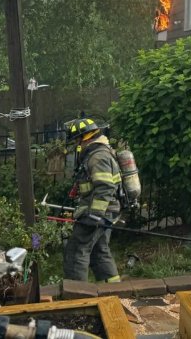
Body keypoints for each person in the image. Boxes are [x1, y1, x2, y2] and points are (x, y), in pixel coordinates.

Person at [62, 115, 122, 283]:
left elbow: (105, 187)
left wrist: (94, 215)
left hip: (99, 213)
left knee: (76, 250)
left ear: (84, 138)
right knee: (99, 251)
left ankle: (76, 295)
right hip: (106, 212)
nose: (77, 145)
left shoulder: (98, 156)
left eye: (77, 141)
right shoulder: (98, 153)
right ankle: (113, 290)